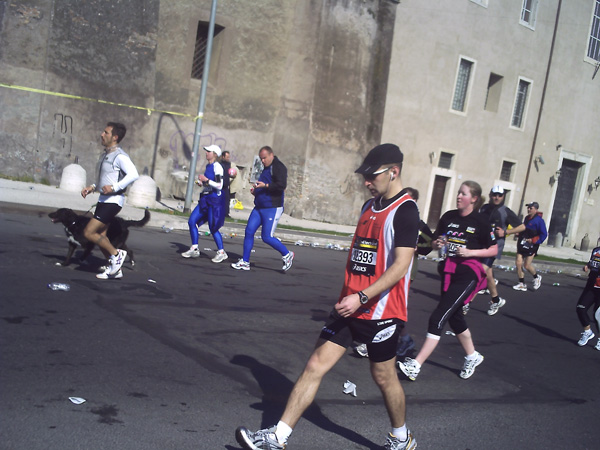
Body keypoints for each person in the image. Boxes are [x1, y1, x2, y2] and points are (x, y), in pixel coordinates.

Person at [235, 143, 420, 450]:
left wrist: (362, 296)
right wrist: (352, 296)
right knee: (314, 365)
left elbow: (401, 265)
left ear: (393, 172)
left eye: (372, 176)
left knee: (383, 376)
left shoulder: (406, 210)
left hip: (381, 310)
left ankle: (402, 438)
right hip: (351, 307)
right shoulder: (367, 207)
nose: (366, 182)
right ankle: (277, 438)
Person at [398, 181, 497, 381]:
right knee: (455, 317)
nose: (459, 196)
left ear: (474, 199)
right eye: (459, 193)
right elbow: (434, 242)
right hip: (448, 271)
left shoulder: (482, 221)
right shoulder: (448, 217)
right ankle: (472, 356)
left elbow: (494, 249)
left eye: (463, 193)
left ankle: (416, 365)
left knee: (438, 317)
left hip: (469, 273)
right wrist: (438, 242)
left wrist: (471, 252)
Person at [81, 122, 139, 280]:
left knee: (89, 232)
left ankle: (116, 255)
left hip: (114, 201)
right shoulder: (106, 154)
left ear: (115, 137)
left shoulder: (120, 156)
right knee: (101, 235)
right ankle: (115, 268)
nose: (102, 134)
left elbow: (134, 174)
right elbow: (105, 178)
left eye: (106, 133)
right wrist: (92, 187)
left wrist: (114, 187)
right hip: (104, 199)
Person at [230, 146, 294, 272]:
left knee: (267, 237)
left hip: (272, 207)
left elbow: (281, 186)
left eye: (264, 158)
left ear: (271, 155)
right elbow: (265, 186)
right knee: (249, 232)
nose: (263, 161)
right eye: (261, 158)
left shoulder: (279, 167)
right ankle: (245, 261)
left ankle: (287, 254)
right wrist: (257, 191)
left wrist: (265, 185)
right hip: (259, 206)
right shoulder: (266, 168)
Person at [479, 185, 525, 315]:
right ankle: (496, 299)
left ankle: (465, 303)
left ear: (503, 196)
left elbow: (522, 227)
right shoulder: (484, 208)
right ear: (490, 195)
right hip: (481, 244)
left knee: (480, 271)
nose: (497, 197)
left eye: (499, 195)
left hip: (494, 246)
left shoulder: (505, 211)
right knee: (488, 275)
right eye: (494, 195)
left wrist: (506, 232)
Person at [181, 144, 228, 263]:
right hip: (206, 199)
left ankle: (221, 252)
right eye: (206, 151)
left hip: (214, 201)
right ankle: (194, 248)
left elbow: (219, 185)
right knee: (192, 221)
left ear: (215, 154)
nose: (206, 153)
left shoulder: (217, 167)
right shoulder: (209, 166)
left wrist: (206, 180)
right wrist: (202, 184)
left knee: (213, 227)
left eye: (209, 151)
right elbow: (209, 184)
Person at [512, 201, 547, 292]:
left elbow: (544, 234)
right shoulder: (527, 218)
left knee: (526, 265)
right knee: (518, 263)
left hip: (532, 245)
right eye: (528, 207)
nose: (528, 209)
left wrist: (534, 240)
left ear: (536, 209)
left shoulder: (539, 221)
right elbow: (524, 229)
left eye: (531, 208)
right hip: (523, 242)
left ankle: (536, 277)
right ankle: (521, 283)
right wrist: (519, 233)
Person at [575, 245, 600, 350]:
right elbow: (592, 263)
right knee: (580, 308)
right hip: (591, 285)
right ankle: (587, 332)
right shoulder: (596, 250)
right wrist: (587, 266)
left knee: (597, 315)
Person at [220, 150, 232, 218]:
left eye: (228, 157)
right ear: (223, 157)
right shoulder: (220, 164)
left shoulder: (229, 164)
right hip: (221, 184)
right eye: (226, 157)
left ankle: (226, 213)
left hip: (226, 184)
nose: (228, 158)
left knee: (227, 199)